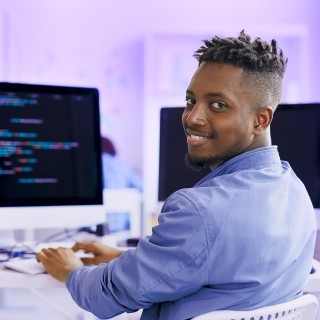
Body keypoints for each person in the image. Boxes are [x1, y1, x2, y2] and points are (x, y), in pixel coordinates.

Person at [37, 31, 316, 320]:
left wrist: (71, 270)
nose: (192, 117)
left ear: (261, 119)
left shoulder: (199, 210)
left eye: (218, 105)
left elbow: (107, 297)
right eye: (190, 100)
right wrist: (127, 259)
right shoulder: (295, 192)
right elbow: (223, 270)